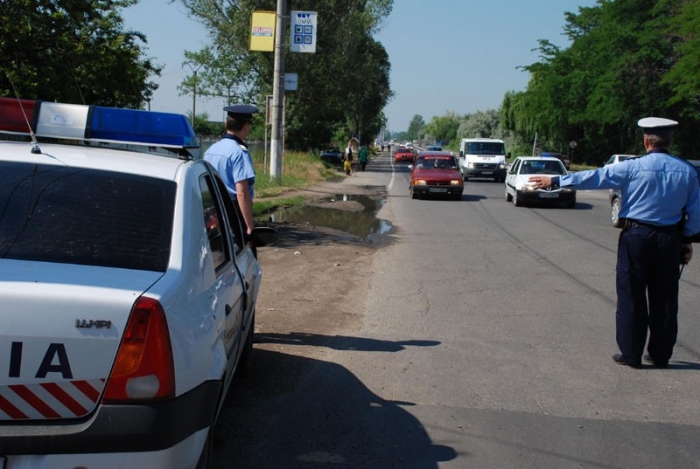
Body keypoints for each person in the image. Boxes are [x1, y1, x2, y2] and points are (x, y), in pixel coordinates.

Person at [528, 117, 700, 369]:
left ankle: (631, 354)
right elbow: (696, 212)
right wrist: (686, 240)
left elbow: (596, 177)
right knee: (665, 298)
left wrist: (556, 181)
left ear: (645, 141)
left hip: (637, 236)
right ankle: (661, 355)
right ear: (669, 140)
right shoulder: (686, 170)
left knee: (631, 294)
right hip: (669, 239)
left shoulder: (632, 167)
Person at [203, 104, 258, 241]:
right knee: (245, 256)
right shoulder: (239, 153)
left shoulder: (210, 150)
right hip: (233, 213)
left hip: (213, 212)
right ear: (245, 127)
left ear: (226, 124)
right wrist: (249, 225)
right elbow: (242, 192)